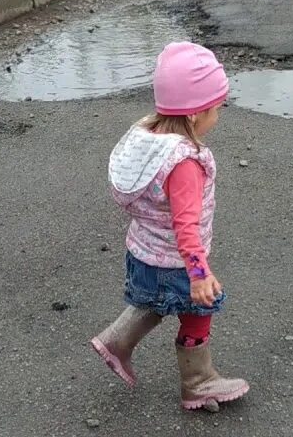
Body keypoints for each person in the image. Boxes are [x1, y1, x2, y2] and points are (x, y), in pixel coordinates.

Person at [90, 42, 250, 412]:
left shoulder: (147, 138)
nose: (219, 115)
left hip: (143, 251)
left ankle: (116, 342)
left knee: (155, 302)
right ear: (195, 115)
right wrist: (198, 273)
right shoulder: (185, 165)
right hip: (175, 262)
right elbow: (186, 226)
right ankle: (198, 382)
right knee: (199, 308)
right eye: (217, 108)